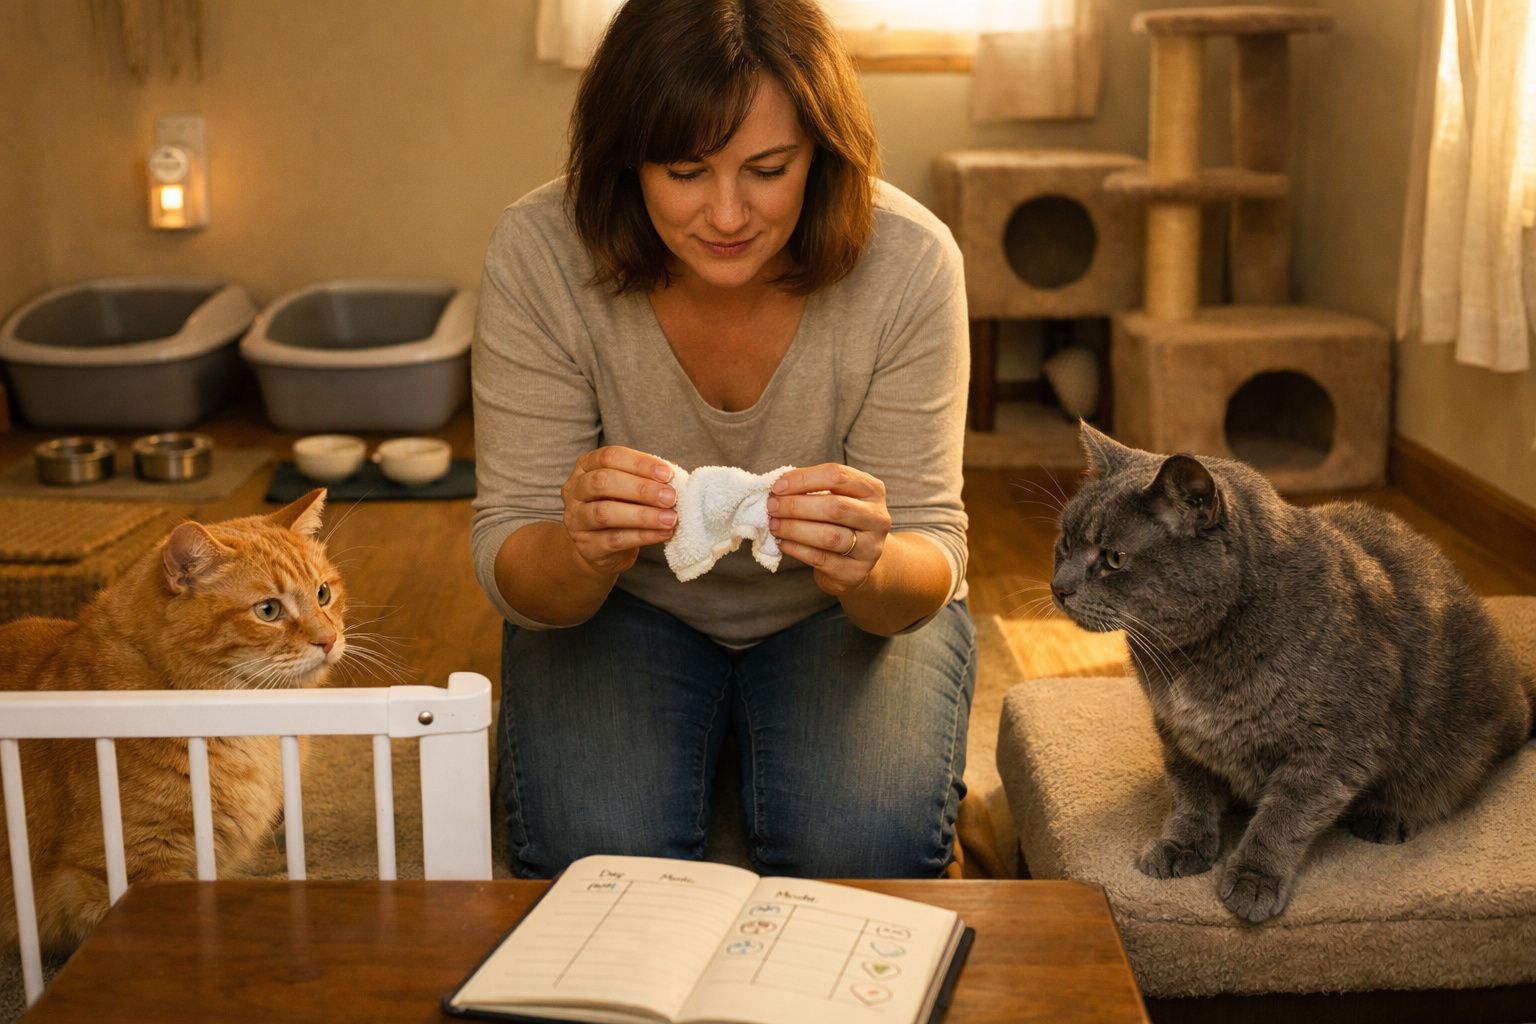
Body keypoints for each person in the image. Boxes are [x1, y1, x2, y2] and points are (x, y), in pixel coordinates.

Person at [471, 0, 975, 880]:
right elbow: (512, 553)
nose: (729, 214)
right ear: (626, 159)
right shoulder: (542, 251)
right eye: (685, 171)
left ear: (822, 153)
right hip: (628, 605)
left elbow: (932, 549)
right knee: (598, 857)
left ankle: (756, 741)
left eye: (769, 170)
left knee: (866, 852)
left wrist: (869, 564)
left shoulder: (910, 260)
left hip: (839, 616)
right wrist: (581, 550)